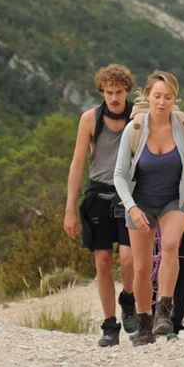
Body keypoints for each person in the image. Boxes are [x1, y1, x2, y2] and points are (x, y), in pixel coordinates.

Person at [113, 71, 184, 346]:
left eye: (168, 97)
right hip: (140, 201)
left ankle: (164, 311)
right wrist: (132, 207)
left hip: (176, 197)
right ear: (148, 96)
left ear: (175, 99)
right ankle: (144, 322)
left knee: (171, 245)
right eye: (157, 96)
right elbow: (119, 175)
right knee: (141, 268)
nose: (162, 102)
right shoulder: (134, 129)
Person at [63, 64, 138, 347]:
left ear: (127, 91)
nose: (114, 98)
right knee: (102, 262)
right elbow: (78, 163)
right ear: (102, 92)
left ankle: (128, 298)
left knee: (129, 259)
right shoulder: (90, 119)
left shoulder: (138, 116)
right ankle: (109, 325)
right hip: (98, 193)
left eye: (119, 92)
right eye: (109, 92)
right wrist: (70, 207)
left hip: (130, 195)